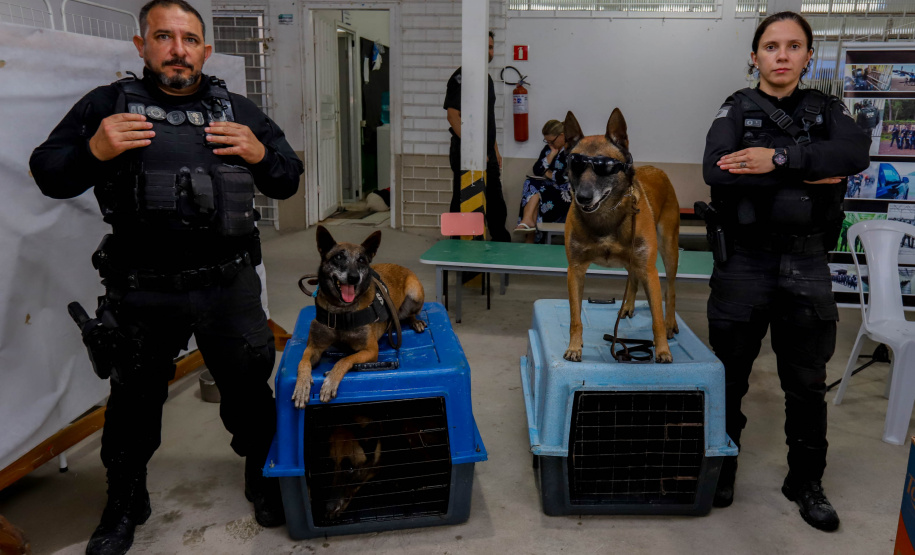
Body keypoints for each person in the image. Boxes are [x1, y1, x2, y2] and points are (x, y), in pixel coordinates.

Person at [29, 1, 303, 553]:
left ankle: (261, 475)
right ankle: (126, 499)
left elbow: (288, 179)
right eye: (164, 36)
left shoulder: (237, 110)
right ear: (141, 46)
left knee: (250, 391)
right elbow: (48, 172)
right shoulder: (108, 107)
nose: (178, 49)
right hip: (143, 289)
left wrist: (259, 155)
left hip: (228, 286)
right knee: (133, 402)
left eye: (189, 39)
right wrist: (93, 151)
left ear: (205, 48)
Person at [702, 11, 870, 532]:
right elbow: (716, 169)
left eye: (793, 46)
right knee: (728, 378)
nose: (781, 54)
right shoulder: (735, 108)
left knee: (806, 383)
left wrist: (775, 161)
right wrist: (814, 169)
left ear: (807, 56)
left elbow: (855, 151)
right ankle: (722, 468)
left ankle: (806, 481)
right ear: (754, 56)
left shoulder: (827, 110)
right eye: (771, 45)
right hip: (744, 263)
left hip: (806, 262)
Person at [443, 30, 510, 242]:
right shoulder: (461, 77)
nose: (489, 52)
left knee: (495, 203)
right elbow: (453, 116)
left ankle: (500, 246)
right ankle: (458, 249)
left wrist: (495, 149)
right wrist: (476, 150)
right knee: (463, 201)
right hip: (467, 152)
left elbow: (486, 120)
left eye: (491, 47)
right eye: (485, 47)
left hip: (486, 151)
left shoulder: (487, 79)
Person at [514, 119, 571, 244]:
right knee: (530, 183)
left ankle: (528, 228)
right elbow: (537, 169)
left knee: (537, 193)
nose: (550, 144)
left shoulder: (573, 150)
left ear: (562, 136)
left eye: (552, 141)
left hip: (565, 194)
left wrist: (547, 173)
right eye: (547, 141)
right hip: (549, 188)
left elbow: (566, 177)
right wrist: (551, 155)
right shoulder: (549, 149)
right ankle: (528, 221)